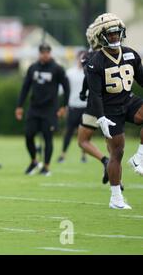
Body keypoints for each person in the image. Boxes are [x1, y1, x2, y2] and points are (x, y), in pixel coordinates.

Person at [86, 13, 143, 209]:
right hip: (110, 109)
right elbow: (94, 94)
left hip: (128, 100)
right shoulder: (95, 61)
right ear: (102, 36)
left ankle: (140, 157)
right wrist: (100, 117)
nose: (115, 37)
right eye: (110, 34)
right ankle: (116, 197)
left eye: (117, 33)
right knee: (117, 152)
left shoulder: (130, 54)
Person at [15, 43, 70, 176]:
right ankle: (34, 161)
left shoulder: (57, 69)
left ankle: (46, 166)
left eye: (47, 52)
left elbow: (67, 87)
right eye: (42, 52)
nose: (44, 55)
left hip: (50, 110)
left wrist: (64, 106)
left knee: (47, 138)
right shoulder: (33, 68)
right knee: (29, 135)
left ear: (50, 53)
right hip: (34, 108)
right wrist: (19, 106)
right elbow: (25, 88)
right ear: (39, 53)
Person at [77, 23, 112, 186]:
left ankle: (106, 161)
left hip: (94, 103)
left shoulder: (88, 56)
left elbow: (88, 77)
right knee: (112, 140)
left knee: (83, 140)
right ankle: (114, 169)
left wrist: (84, 92)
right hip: (114, 101)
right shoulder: (113, 53)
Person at [57, 51, 88, 163]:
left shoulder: (89, 72)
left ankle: (84, 155)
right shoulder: (70, 73)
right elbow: (62, 89)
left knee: (85, 132)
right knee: (69, 132)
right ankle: (62, 155)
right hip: (73, 107)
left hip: (85, 107)